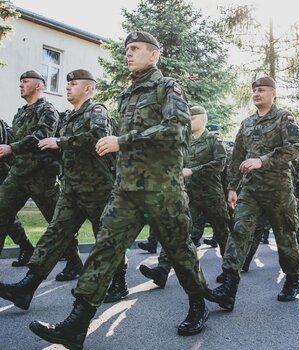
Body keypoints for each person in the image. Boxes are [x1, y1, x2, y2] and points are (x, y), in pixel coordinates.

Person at [29, 31, 209, 350]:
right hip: (126, 189)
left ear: (153, 55)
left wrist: (124, 141)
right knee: (105, 248)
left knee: (180, 251)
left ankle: (198, 304)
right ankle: (77, 323)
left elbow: (177, 129)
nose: (129, 53)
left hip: (162, 188)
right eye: (127, 49)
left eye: (136, 49)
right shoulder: (127, 95)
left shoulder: (168, 87)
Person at [0, 69, 128, 309]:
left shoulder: (96, 110)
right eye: (67, 84)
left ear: (87, 89)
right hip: (72, 189)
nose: (68, 87)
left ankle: (119, 282)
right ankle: (27, 288)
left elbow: (99, 135)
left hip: (97, 189)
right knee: (54, 234)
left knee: (107, 237)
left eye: (74, 84)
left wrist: (61, 142)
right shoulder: (68, 116)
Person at [204, 76, 299, 312]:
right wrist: (232, 187)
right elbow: (237, 155)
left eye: (262, 90)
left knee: (284, 236)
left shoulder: (284, 118)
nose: (256, 94)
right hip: (251, 190)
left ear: (273, 93)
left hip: (278, 189)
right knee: (238, 232)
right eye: (254, 90)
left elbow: (294, 148)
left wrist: (262, 160)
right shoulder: (247, 123)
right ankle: (228, 287)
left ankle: (291, 279)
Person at [139, 106, 230, 287]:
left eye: (192, 118)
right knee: (177, 231)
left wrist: (193, 171)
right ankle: (162, 270)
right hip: (189, 195)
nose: (188, 121)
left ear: (203, 119)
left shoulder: (214, 139)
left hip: (212, 194)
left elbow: (220, 163)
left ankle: (229, 272)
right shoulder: (185, 141)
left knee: (223, 234)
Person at [0, 70, 80, 276]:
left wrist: (12, 148)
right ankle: (26, 248)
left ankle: (74, 262)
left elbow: (41, 136)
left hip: (42, 176)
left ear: (38, 86)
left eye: (25, 82)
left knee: (57, 221)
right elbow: (13, 136)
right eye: (20, 82)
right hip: (18, 174)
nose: (20, 85)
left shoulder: (48, 110)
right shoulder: (21, 113)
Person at [0, 118, 32, 266]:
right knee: (6, 216)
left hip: (2, 174)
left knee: (5, 215)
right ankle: (26, 246)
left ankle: (25, 246)